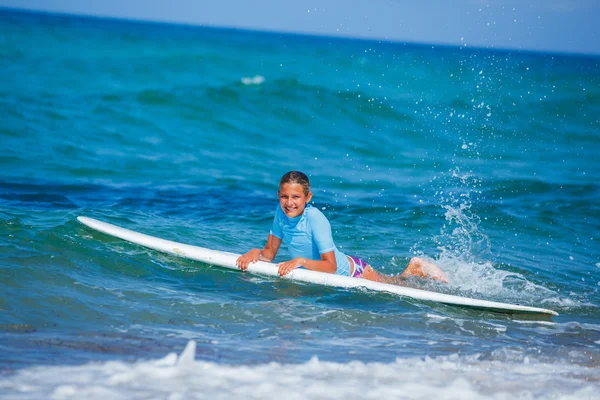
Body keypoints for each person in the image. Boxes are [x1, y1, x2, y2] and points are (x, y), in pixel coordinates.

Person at [236, 171, 448, 284]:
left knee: (395, 286)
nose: (289, 202)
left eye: (296, 197)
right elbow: (269, 254)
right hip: (326, 270)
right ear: (278, 196)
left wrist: (299, 261)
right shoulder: (280, 214)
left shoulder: (315, 218)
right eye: (284, 196)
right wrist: (255, 253)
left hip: (352, 271)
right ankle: (413, 270)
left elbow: (331, 267)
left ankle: (415, 268)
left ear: (308, 197)